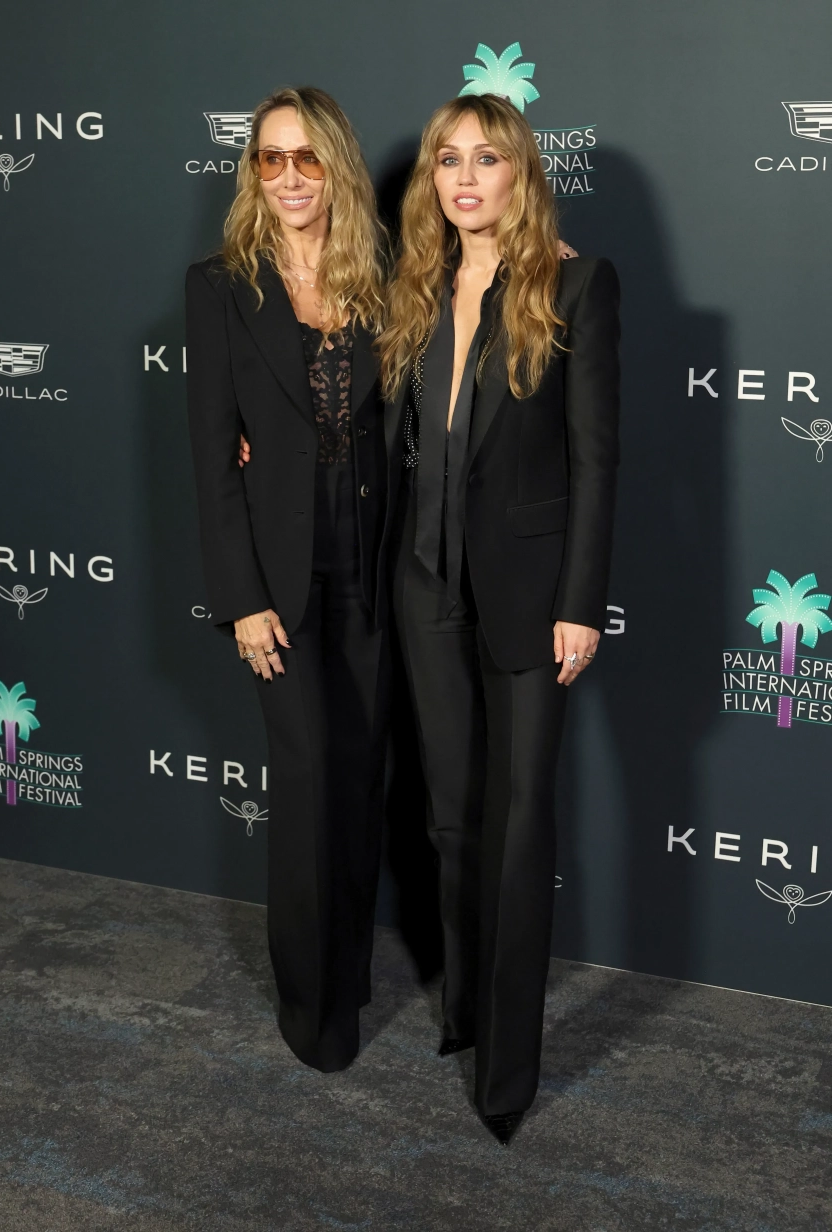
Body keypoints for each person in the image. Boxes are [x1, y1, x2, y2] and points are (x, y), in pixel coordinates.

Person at [375, 94, 620, 1145]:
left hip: (529, 595)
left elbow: (596, 459)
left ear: (521, 171)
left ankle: (506, 1074)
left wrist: (580, 603)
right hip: (422, 582)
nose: (465, 178)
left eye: (486, 158)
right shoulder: (414, 287)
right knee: (451, 817)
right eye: (447, 160)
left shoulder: (575, 283)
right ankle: (465, 1011)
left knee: (519, 830)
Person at [185, 87, 389, 1073]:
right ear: (252, 172)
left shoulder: (386, 274)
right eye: (270, 158)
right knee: (305, 783)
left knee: (357, 782)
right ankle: (314, 1012)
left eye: (307, 158)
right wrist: (242, 598)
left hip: (381, 570)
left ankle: (350, 973)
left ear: (336, 166)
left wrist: (550, 258)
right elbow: (210, 458)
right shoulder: (219, 287)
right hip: (279, 581)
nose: (290, 177)